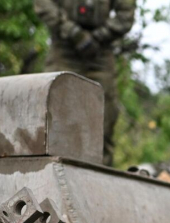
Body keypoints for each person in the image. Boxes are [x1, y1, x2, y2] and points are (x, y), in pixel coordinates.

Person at [34, 0, 134, 164]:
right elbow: (44, 4)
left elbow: (125, 14)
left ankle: (101, 177)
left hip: (100, 51)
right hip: (64, 47)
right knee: (52, 110)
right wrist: (72, 32)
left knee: (105, 117)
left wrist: (100, 35)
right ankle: (46, 171)